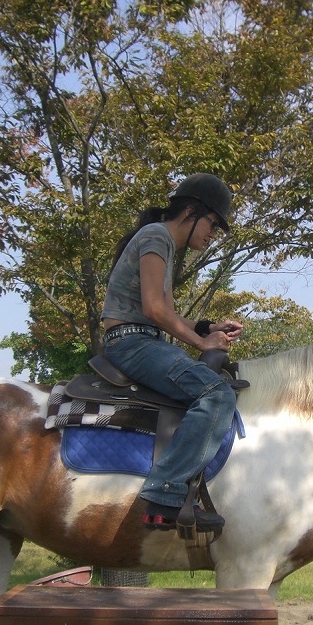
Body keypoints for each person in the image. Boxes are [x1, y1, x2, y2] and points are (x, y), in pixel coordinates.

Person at [101, 173, 243, 533]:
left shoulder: (163, 244)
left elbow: (167, 313)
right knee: (215, 392)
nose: (211, 235)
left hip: (145, 339)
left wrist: (207, 329)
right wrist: (202, 345)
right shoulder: (155, 236)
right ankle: (164, 494)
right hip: (132, 342)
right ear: (191, 211)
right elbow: (153, 310)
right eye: (211, 224)